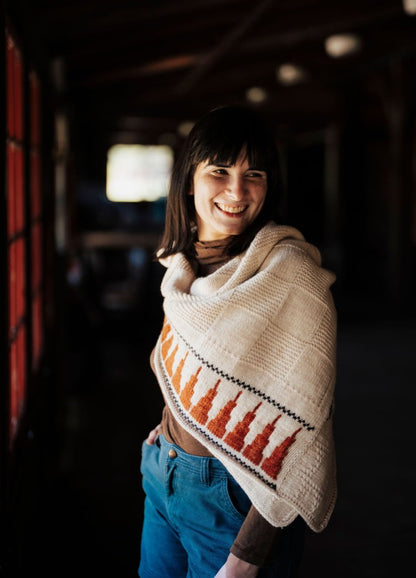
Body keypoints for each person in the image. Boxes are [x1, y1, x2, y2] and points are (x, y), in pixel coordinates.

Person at [138, 105, 337, 578]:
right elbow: (196, 364)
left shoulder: (290, 276)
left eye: (255, 174)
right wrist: (173, 424)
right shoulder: (183, 269)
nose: (236, 191)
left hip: (235, 504)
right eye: (220, 171)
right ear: (189, 180)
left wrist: (246, 556)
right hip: (164, 473)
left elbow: (301, 432)